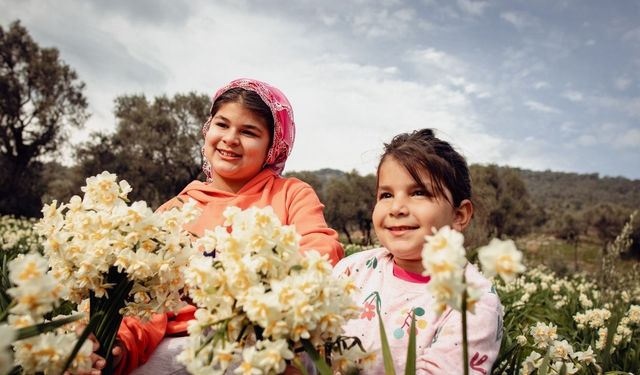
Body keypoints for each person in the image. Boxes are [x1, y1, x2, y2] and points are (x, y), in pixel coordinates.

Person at [111, 78, 344, 374]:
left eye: (249, 132)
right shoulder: (175, 210)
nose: (230, 139)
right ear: (208, 129)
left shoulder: (291, 194)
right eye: (222, 125)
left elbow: (321, 249)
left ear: (272, 147)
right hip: (180, 346)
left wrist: (244, 285)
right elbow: (144, 303)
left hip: (263, 338)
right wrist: (119, 345)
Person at [332, 129, 502, 374]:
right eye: (386, 194)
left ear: (459, 215)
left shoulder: (474, 300)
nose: (397, 208)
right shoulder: (352, 269)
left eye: (419, 193)